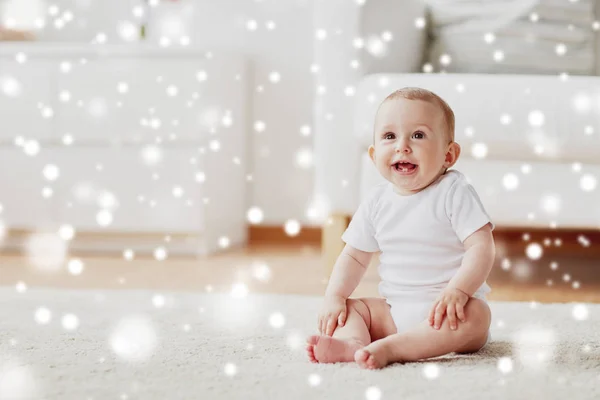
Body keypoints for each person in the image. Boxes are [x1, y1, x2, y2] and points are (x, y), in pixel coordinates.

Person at [306, 87, 495, 369]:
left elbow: (481, 247)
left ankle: (395, 348)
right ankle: (354, 344)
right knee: (352, 309)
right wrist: (335, 296)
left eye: (418, 135)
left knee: (478, 316)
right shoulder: (377, 201)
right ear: (373, 155)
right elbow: (354, 256)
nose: (402, 146)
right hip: (394, 313)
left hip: (449, 312)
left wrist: (459, 290)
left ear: (449, 155)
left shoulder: (454, 191)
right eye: (389, 136)